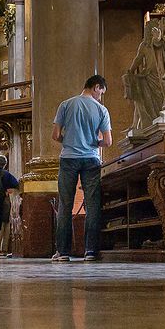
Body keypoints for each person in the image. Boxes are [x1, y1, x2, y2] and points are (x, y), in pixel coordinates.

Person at [51, 75, 112, 262]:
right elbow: (108, 142)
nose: (101, 96)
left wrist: (68, 141)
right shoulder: (101, 110)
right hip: (92, 160)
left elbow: (55, 135)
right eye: (101, 92)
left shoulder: (66, 105)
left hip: (68, 158)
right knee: (92, 205)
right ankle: (90, 251)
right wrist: (93, 142)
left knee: (65, 205)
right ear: (96, 87)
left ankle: (63, 252)